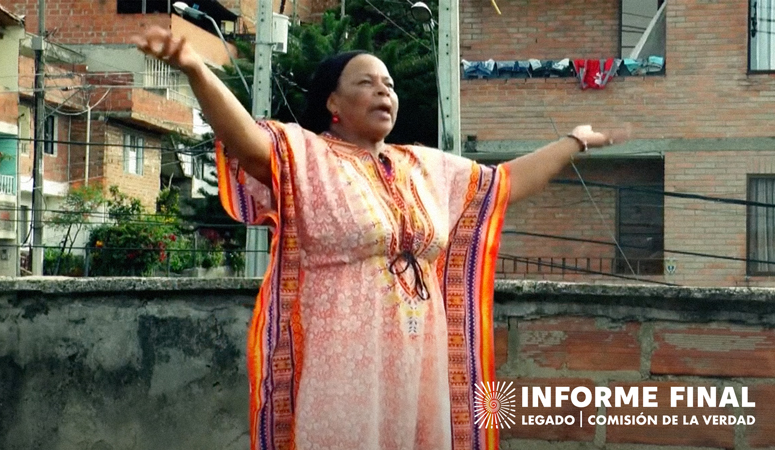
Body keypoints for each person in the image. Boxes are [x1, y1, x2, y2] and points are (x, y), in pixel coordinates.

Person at [133, 28, 620, 450]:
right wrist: (197, 68)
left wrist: (572, 142)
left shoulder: (425, 167)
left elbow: (504, 183)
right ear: (333, 103)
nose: (384, 91)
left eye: (389, 84)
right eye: (366, 83)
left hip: (419, 363)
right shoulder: (309, 156)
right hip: (341, 358)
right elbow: (246, 142)